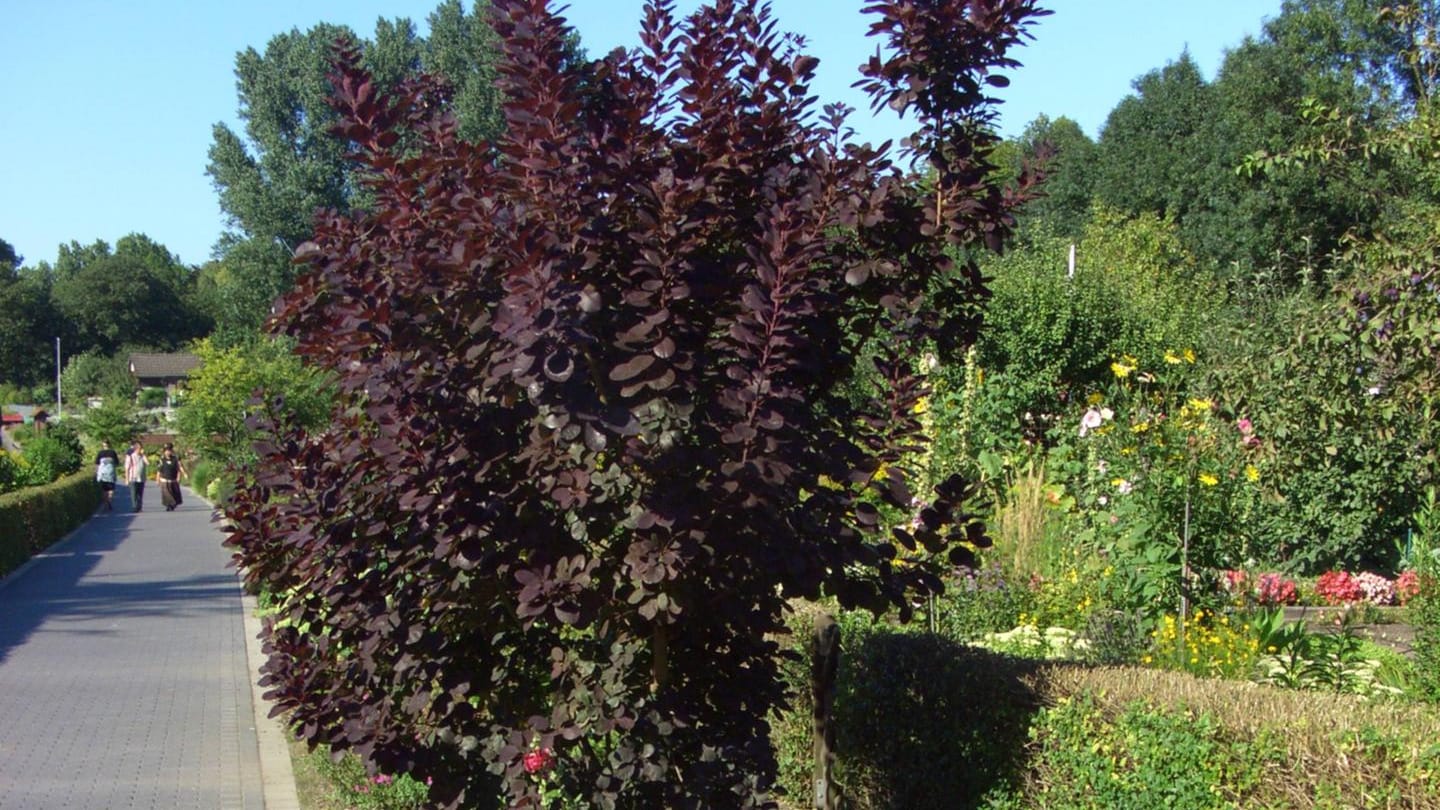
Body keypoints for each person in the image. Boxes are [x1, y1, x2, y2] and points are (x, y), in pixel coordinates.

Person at [157, 446, 186, 511]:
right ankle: (168, 505)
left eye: (169, 451)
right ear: (164, 452)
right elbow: (159, 471)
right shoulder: (162, 460)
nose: (168, 452)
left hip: (173, 480)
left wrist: (180, 476)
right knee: (166, 494)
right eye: (166, 451)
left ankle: (172, 505)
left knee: (174, 493)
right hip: (164, 480)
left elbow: (178, 468)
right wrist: (158, 480)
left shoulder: (175, 459)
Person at [94, 441, 119, 512]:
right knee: (111, 489)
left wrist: (97, 473)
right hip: (111, 473)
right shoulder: (113, 453)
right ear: (109, 445)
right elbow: (117, 463)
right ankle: (109, 501)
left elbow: (97, 464)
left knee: (104, 490)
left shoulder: (100, 453)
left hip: (102, 474)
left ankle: (106, 503)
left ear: (103, 445)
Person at [127, 445, 149, 512]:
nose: (141, 450)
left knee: (140, 493)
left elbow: (148, 463)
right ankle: (134, 506)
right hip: (133, 477)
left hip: (141, 477)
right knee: (134, 493)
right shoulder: (131, 456)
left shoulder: (142, 456)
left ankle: (139, 506)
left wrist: (144, 455)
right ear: (136, 449)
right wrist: (127, 479)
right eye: (140, 449)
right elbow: (127, 468)